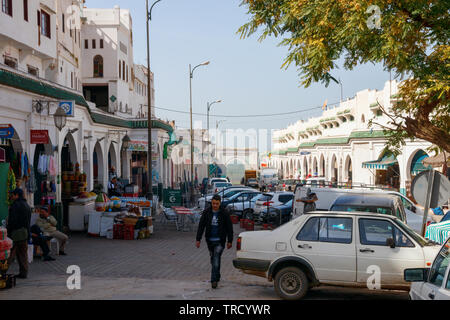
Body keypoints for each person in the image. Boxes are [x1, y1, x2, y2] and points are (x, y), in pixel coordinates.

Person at [196, 194, 233, 289]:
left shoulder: (224, 213)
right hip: (209, 240)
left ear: (220, 203)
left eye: (217, 204)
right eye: (213, 203)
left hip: (220, 241)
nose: (215, 205)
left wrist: (230, 241)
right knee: (213, 259)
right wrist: (198, 239)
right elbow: (201, 226)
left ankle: (214, 281)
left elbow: (229, 227)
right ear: (211, 203)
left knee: (216, 258)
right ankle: (217, 275)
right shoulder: (206, 212)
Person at [6, 188, 31, 279]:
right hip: (24, 233)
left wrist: (9, 232)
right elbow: (28, 222)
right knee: (23, 255)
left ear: (17, 195)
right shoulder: (27, 205)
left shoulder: (15, 205)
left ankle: (2, 272)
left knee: (9, 254)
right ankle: (24, 273)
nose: (11, 196)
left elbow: (12, 221)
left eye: (13, 194)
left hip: (15, 233)